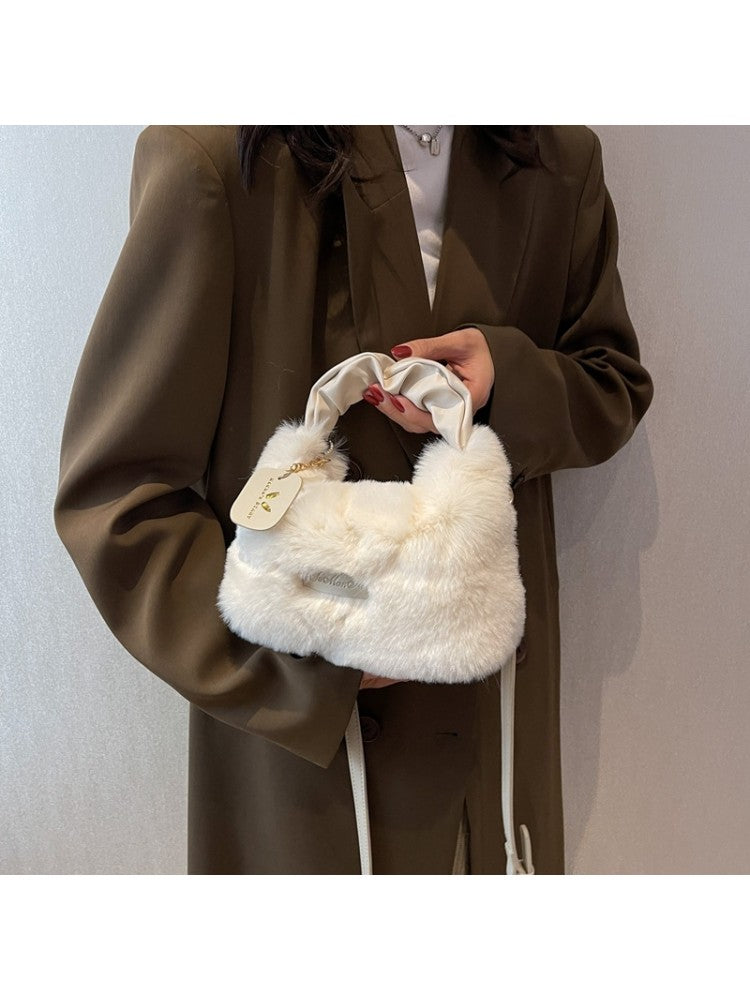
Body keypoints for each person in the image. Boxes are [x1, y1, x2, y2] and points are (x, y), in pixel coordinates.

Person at [54, 125, 654, 874]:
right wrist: (311, 665)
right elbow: (118, 500)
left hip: (498, 752)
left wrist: (505, 380)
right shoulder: (214, 161)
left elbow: (610, 381)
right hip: (314, 776)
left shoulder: (555, 158)